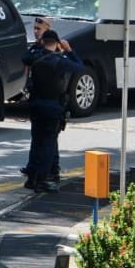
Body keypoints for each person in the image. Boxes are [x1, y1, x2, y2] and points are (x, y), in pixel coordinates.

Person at [22, 29, 84, 192]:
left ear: (43, 41)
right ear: (57, 44)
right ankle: (42, 179)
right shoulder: (60, 61)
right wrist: (69, 50)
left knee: (36, 141)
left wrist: (37, 44)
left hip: (36, 105)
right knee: (48, 144)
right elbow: (79, 68)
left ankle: (32, 178)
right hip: (53, 106)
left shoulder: (35, 56)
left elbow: (24, 58)